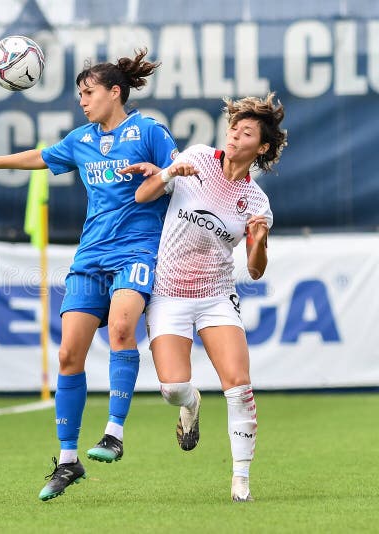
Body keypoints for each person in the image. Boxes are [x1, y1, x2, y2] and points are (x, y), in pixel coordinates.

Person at [0, 49, 177, 501]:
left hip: (137, 248)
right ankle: (68, 460)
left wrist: (161, 173)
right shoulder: (82, 139)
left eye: (88, 92)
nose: (82, 100)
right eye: (79, 93)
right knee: (68, 356)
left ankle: (114, 433)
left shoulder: (149, 130)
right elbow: (41, 156)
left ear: (115, 92)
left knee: (120, 329)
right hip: (90, 255)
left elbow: (181, 174)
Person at [119, 93, 287, 502]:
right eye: (234, 127)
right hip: (169, 293)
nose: (235, 135)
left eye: (247, 132)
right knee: (172, 387)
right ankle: (190, 404)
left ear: (262, 147)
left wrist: (260, 241)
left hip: (216, 295)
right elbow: (142, 196)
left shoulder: (257, 202)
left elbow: (255, 269)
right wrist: (167, 172)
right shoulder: (197, 159)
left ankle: (241, 482)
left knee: (239, 387)